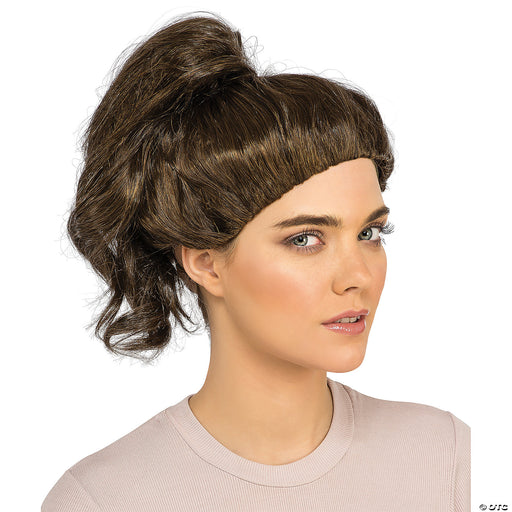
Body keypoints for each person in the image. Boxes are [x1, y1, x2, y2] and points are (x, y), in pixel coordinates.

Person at [41, 12, 470, 512]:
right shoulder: (102, 500)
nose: (359, 276)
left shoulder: (452, 459)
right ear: (206, 264)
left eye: (369, 233)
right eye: (306, 239)